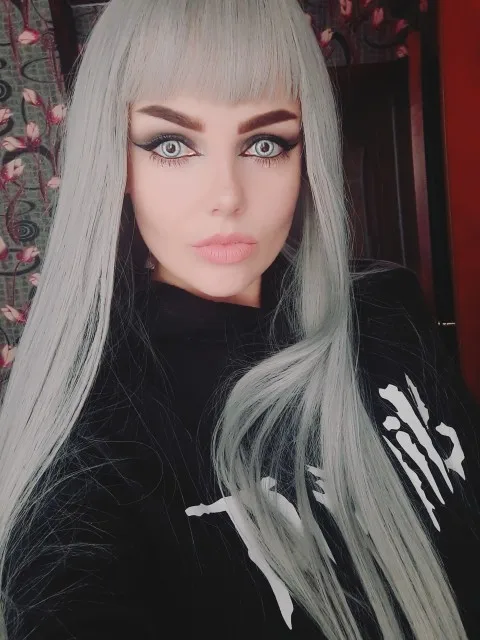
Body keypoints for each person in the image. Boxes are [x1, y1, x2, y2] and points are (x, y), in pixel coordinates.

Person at [0, 1, 478, 638]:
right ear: (116, 161)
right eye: (172, 144)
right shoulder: (92, 442)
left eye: (264, 143)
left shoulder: (388, 308)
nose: (227, 195)